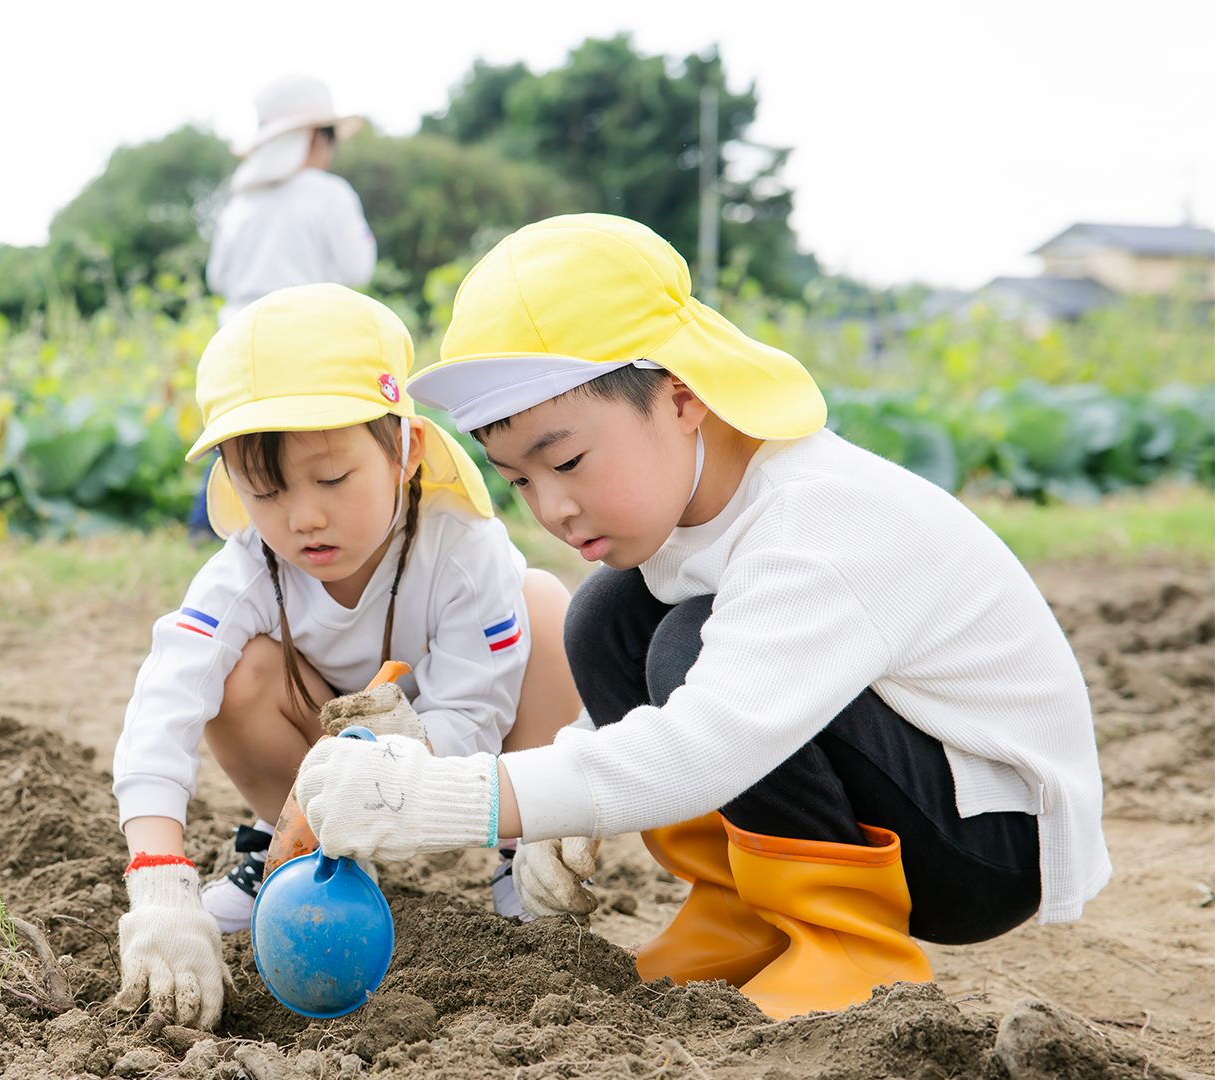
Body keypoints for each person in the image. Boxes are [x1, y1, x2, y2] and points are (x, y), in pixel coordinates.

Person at [292, 215, 1110, 1019]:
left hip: (987, 841)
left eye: (568, 460)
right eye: (519, 481)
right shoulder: (694, 512)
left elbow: (706, 744)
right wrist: (567, 777)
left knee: (685, 640)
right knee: (608, 614)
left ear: (682, 396)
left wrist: (436, 797)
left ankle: (847, 948)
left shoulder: (812, 525)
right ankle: (744, 915)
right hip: (915, 791)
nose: (554, 506)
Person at [110, 284, 583, 1030]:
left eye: (332, 478)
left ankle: (521, 854)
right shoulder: (247, 570)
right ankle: (299, 855)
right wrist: (158, 880)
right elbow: (163, 703)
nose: (303, 517)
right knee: (233, 675)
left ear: (406, 449)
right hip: (318, 766)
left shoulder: (463, 551)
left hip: (452, 766)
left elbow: (476, 713)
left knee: (549, 607)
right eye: (264, 491)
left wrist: (404, 751)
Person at [184, 76, 376, 540]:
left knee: (240, 434)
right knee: (313, 441)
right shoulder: (329, 193)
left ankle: (208, 523)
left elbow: (218, 278)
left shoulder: (239, 204)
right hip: (307, 333)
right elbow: (358, 268)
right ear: (316, 137)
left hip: (236, 336)